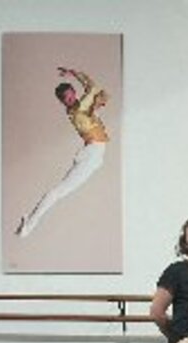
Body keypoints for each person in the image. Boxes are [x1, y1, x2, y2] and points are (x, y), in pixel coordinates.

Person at [16, 67, 110, 237]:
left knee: (59, 192)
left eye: (71, 95)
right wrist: (94, 102)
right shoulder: (78, 110)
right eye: (66, 99)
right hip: (92, 154)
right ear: (63, 102)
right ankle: (28, 225)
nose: (70, 99)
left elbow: (92, 88)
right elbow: (93, 88)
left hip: (95, 154)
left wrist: (74, 74)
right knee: (58, 192)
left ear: (74, 92)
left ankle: (29, 221)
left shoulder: (79, 107)